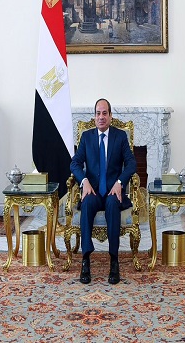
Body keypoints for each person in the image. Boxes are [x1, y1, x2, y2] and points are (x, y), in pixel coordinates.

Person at [70, 98, 137, 285]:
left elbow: (131, 163)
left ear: (110, 116)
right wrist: (84, 181)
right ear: (94, 117)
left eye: (104, 113)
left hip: (112, 191)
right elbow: (75, 163)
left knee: (113, 204)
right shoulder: (87, 137)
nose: (101, 117)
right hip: (92, 191)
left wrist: (120, 182)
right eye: (98, 113)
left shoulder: (120, 136)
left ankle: (114, 261)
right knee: (87, 204)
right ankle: (85, 259)